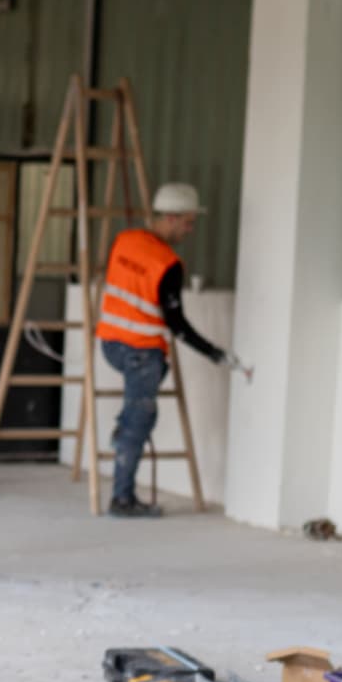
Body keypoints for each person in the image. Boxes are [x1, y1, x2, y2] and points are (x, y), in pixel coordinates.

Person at [96, 182, 246, 519]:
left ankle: (124, 432)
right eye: (189, 223)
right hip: (141, 354)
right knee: (141, 418)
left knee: (139, 412)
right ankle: (122, 499)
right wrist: (215, 353)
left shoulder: (124, 241)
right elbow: (177, 325)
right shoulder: (167, 264)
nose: (190, 230)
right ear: (173, 218)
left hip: (110, 344)